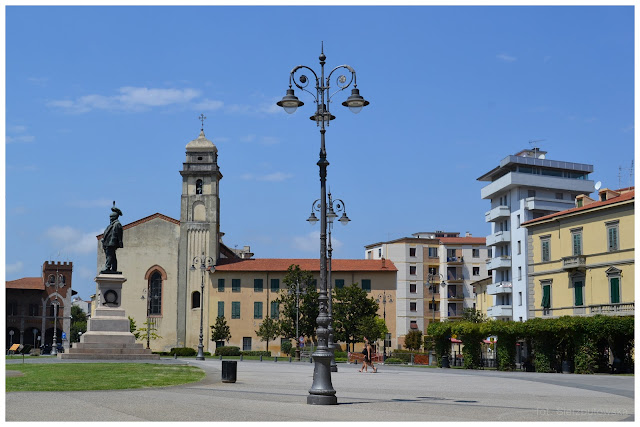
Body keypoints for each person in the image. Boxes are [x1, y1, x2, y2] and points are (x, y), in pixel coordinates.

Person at [101, 202, 123, 273]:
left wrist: (119, 242)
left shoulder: (117, 224)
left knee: (110, 255)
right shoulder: (111, 225)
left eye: (111, 217)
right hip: (108, 243)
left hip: (112, 243)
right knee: (112, 256)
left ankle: (107, 267)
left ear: (114, 217)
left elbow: (119, 234)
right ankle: (114, 268)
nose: (110, 219)